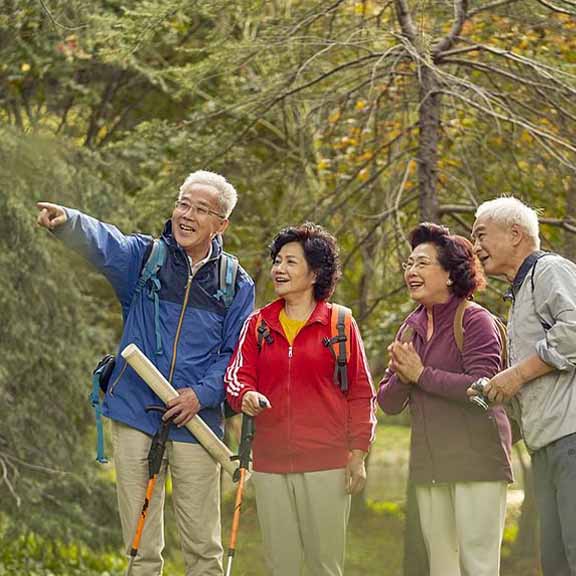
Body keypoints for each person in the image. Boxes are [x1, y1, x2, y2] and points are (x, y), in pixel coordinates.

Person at [36, 171, 255, 576]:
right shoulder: (143, 258)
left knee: (204, 551)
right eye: (183, 203)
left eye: (200, 209)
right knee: (140, 551)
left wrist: (199, 396)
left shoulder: (236, 283)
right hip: (136, 412)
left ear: (221, 224)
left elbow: (235, 353)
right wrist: (69, 220)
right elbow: (106, 243)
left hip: (198, 424)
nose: (186, 215)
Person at [224, 223, 375, 576]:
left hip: (327, 464)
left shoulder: (340, 324)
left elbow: (361, 391)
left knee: (325, 565)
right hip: (271, 464)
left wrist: (358, 454)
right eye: (277, 261)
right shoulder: (258, 324)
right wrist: (245, 395)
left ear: (315, 273)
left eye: (291, 262)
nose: (279, 269)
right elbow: (235, 376)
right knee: (282, 566)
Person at [377, 222, 513, 576]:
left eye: (422, 263)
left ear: (451, 274)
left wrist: (421, 375)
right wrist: (406, 377)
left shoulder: (476, 320)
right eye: (409, 264)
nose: (411, 271)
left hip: (477, 463)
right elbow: (388, 402)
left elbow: (484, 390)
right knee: (442, 567)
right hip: (431, 466)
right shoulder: (410, 327)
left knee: (478, 565)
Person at [471, 196, 576, 576]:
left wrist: (515, 375)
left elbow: (574, 333)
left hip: (571, 440)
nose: (476, 247)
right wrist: (496, 391)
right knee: (556, 560)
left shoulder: (550, 271)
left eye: (481, 235)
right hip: (548, 446)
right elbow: (539, 378)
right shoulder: (521, 292)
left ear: (515, 234)